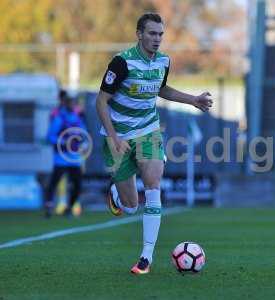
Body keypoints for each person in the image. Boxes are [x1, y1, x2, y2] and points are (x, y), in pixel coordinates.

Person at [96, 12, 213, 275]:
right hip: (118, 135)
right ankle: (117, 193)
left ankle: (145, 258)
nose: (157, 39)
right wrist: (114, 137)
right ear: (139, 34)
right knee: (130, 206)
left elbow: (161, 88)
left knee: (153, 185)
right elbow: (101, 101)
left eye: (160, 34)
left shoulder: (163, 61)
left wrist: (192, 99)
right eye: (152, 33)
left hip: (149, 130)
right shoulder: (121, 63)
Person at [44, 89, 86, 218]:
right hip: (61, 158)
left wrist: (84, 144)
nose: (73, 105)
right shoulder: (59, 118)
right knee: (54, 182)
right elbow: (50, 137)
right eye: (71, 102)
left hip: (74, 157)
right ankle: (49, 207)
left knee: (78, 184)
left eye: (74, 103)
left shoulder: (77, 118)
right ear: (66, 103)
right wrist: (63, 141)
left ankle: (69, 208)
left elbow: (84, 134)